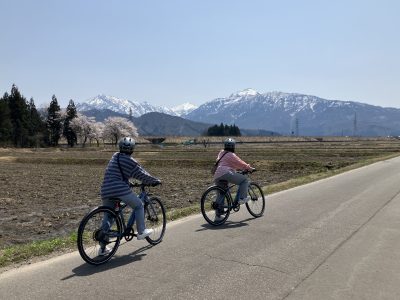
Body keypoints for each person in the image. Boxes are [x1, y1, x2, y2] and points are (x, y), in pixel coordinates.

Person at [99, 137, 161, 255]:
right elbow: (141, 174)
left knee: (109, 216)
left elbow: (116, 174)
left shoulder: (115, 156)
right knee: (138, 205)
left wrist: (128, 183)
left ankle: (102, 248)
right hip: (119, 189)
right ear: (132, 149)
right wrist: (155, 180)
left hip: (106, 189)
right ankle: (141, 231)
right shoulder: (130, 161)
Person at [213, 138, 255, 221]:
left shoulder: (221, 152)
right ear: (233, 146)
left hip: (217, 174)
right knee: (244, 180)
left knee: (222, 194)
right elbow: (240, 163)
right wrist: (249, 168)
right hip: (226, 173)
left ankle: (217, 217)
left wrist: (235, 170)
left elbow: (224, 163)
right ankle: (242, 198)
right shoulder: (231, 155)